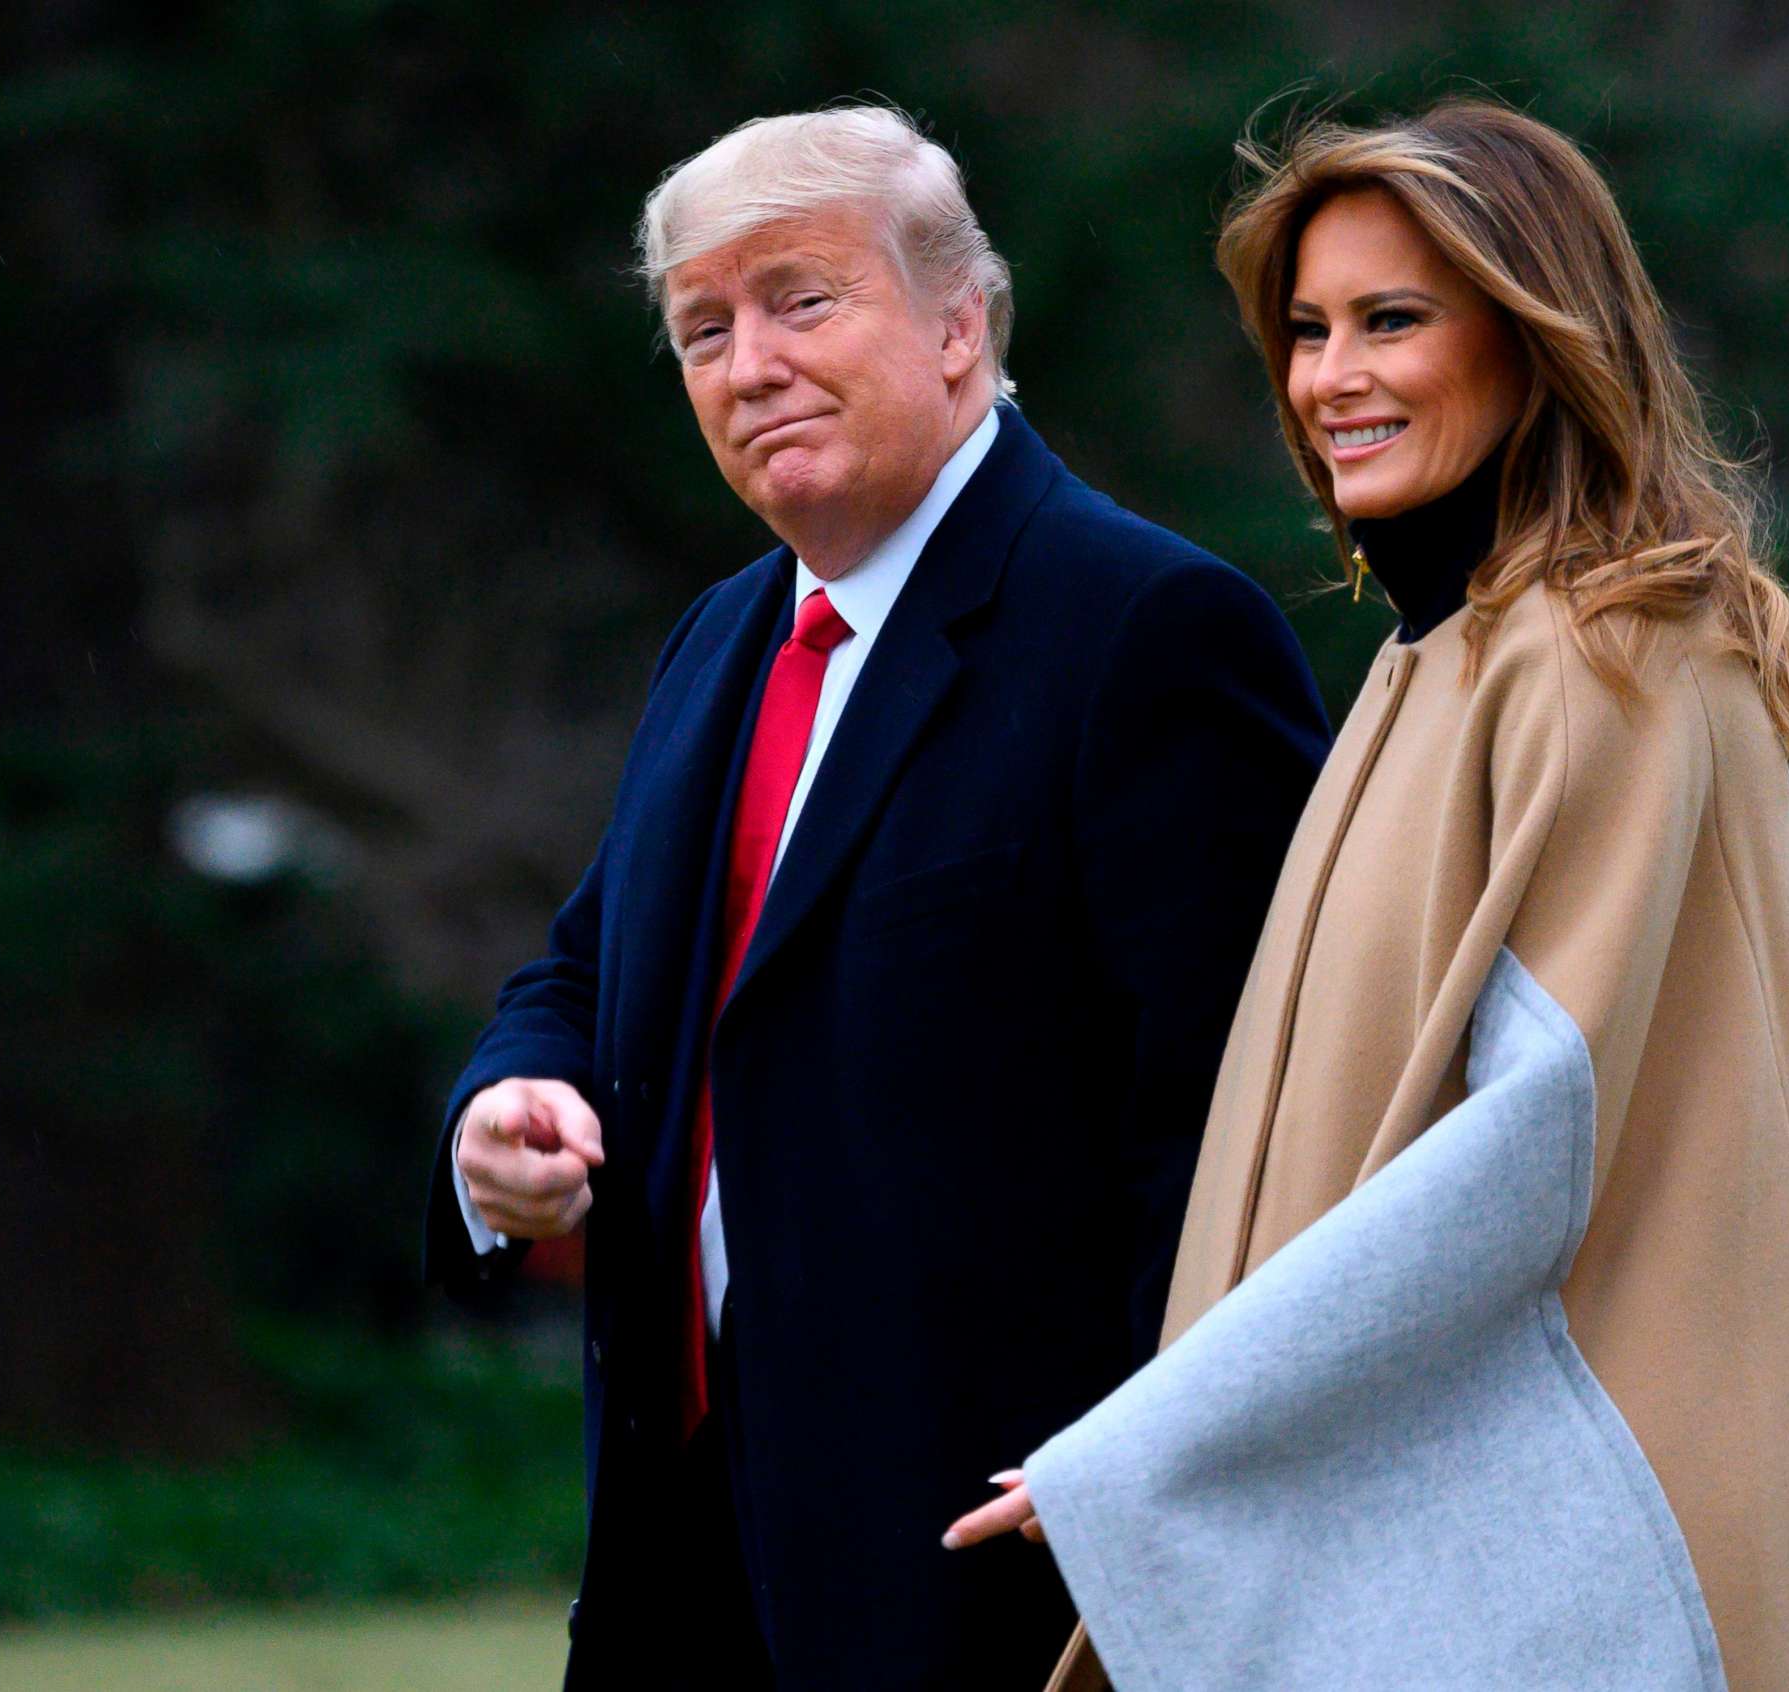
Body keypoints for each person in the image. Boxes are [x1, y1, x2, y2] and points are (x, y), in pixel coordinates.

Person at [946, 101, 1789, 1692]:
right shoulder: (1439, 657)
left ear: (1536, 334)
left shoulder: (1608, 651)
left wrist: (1161, 1440)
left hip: (1621, 1524)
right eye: (1305, 331)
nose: (1329, 378)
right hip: (1491, 1516)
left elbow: (1530, 1140)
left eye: (1390, 322)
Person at [422, 104, 1329, 1690]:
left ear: (961, 325)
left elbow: (1242, 1137)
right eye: (704, 327)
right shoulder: (719, 644)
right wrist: (506, 1103)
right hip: (679, 1557)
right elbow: (583, 971)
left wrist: (1131, 1484)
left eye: (801, 299)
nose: (748, 363)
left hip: (998, 1574)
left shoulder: (1146, 628)